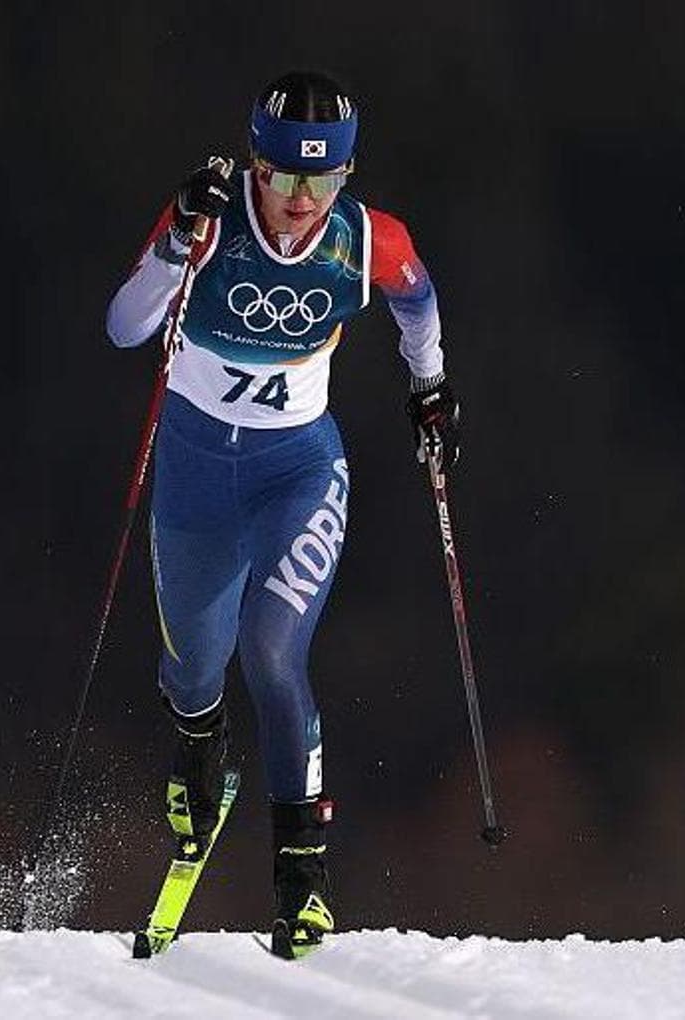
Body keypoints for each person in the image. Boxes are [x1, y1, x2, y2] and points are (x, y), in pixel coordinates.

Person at [104, 69, 460, 958]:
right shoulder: (208, 220)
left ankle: (302, 883)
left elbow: (417, 301)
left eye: (323, 179)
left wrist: (430, 386)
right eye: (285, 177)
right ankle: (200, 742)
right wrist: (175, 241)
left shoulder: (365, 241)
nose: (302, 201)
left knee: (271, 651)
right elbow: (125, 326)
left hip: (297, 472)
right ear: (255, 166)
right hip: (194, 477)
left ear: (346, 174)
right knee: (193, 670)